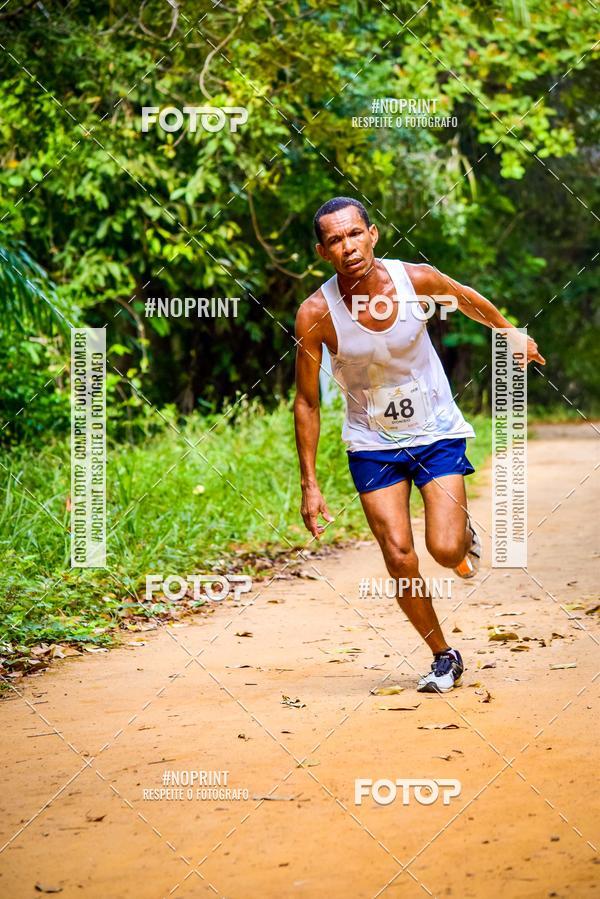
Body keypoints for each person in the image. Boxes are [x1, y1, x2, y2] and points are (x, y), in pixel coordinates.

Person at [293, 196, 545, 693]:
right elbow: (306, 402)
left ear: (373, 235)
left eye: (354, 235)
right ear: (324, 252)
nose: (348, 248)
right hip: (371, 442)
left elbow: (466, 296)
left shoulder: (416, 280)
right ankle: (442, 654)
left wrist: (507, 330)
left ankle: (459, 540)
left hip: (435, 431)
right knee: (399, 554)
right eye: (335, 241)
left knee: (444, 547)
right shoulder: (316, 313)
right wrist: (309, 483)